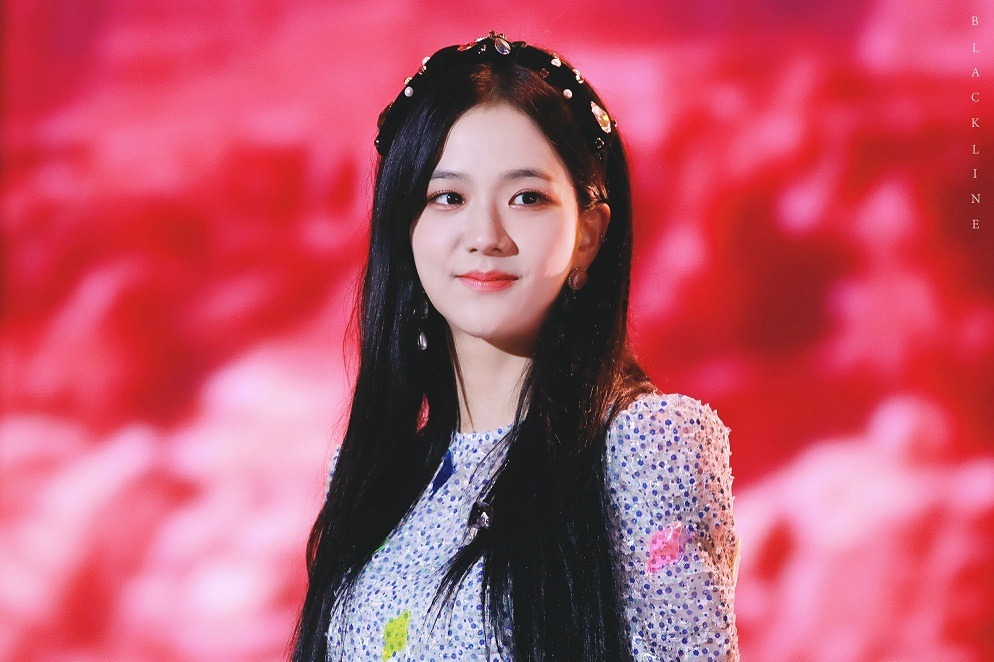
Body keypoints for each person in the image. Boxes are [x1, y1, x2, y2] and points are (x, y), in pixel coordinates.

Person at [289, 30, 741, 662]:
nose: (486, 235)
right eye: (448, 197)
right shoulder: (374, 475)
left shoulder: (644, 451)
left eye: (527, 197)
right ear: (404, 228)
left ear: (587, 235)